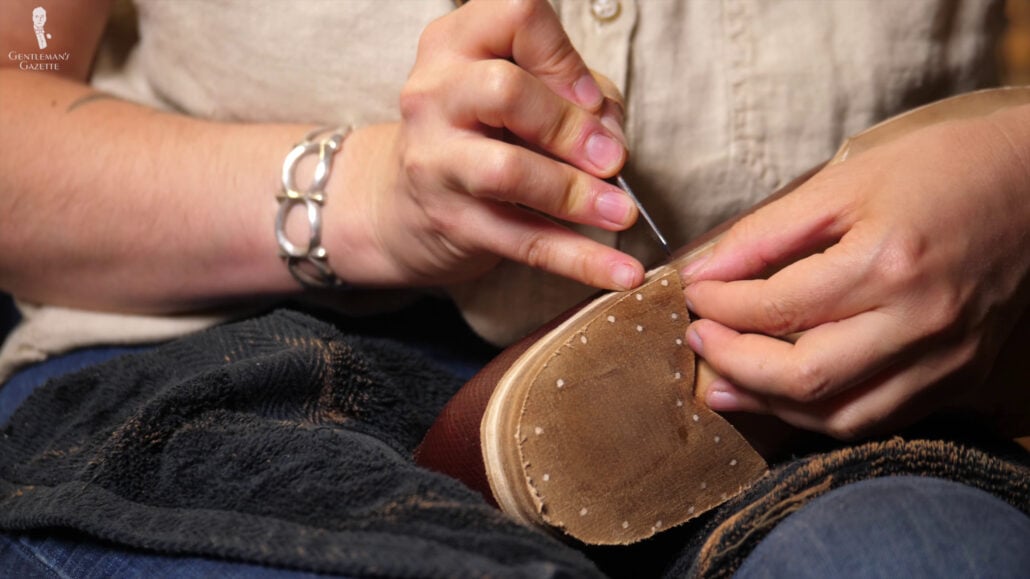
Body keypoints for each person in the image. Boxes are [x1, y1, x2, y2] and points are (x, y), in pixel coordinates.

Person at [0, 0, 1027, 577]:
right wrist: (366, 196)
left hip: (816, 401)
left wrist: (1014, 173)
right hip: (234, 362)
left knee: (917, 557)